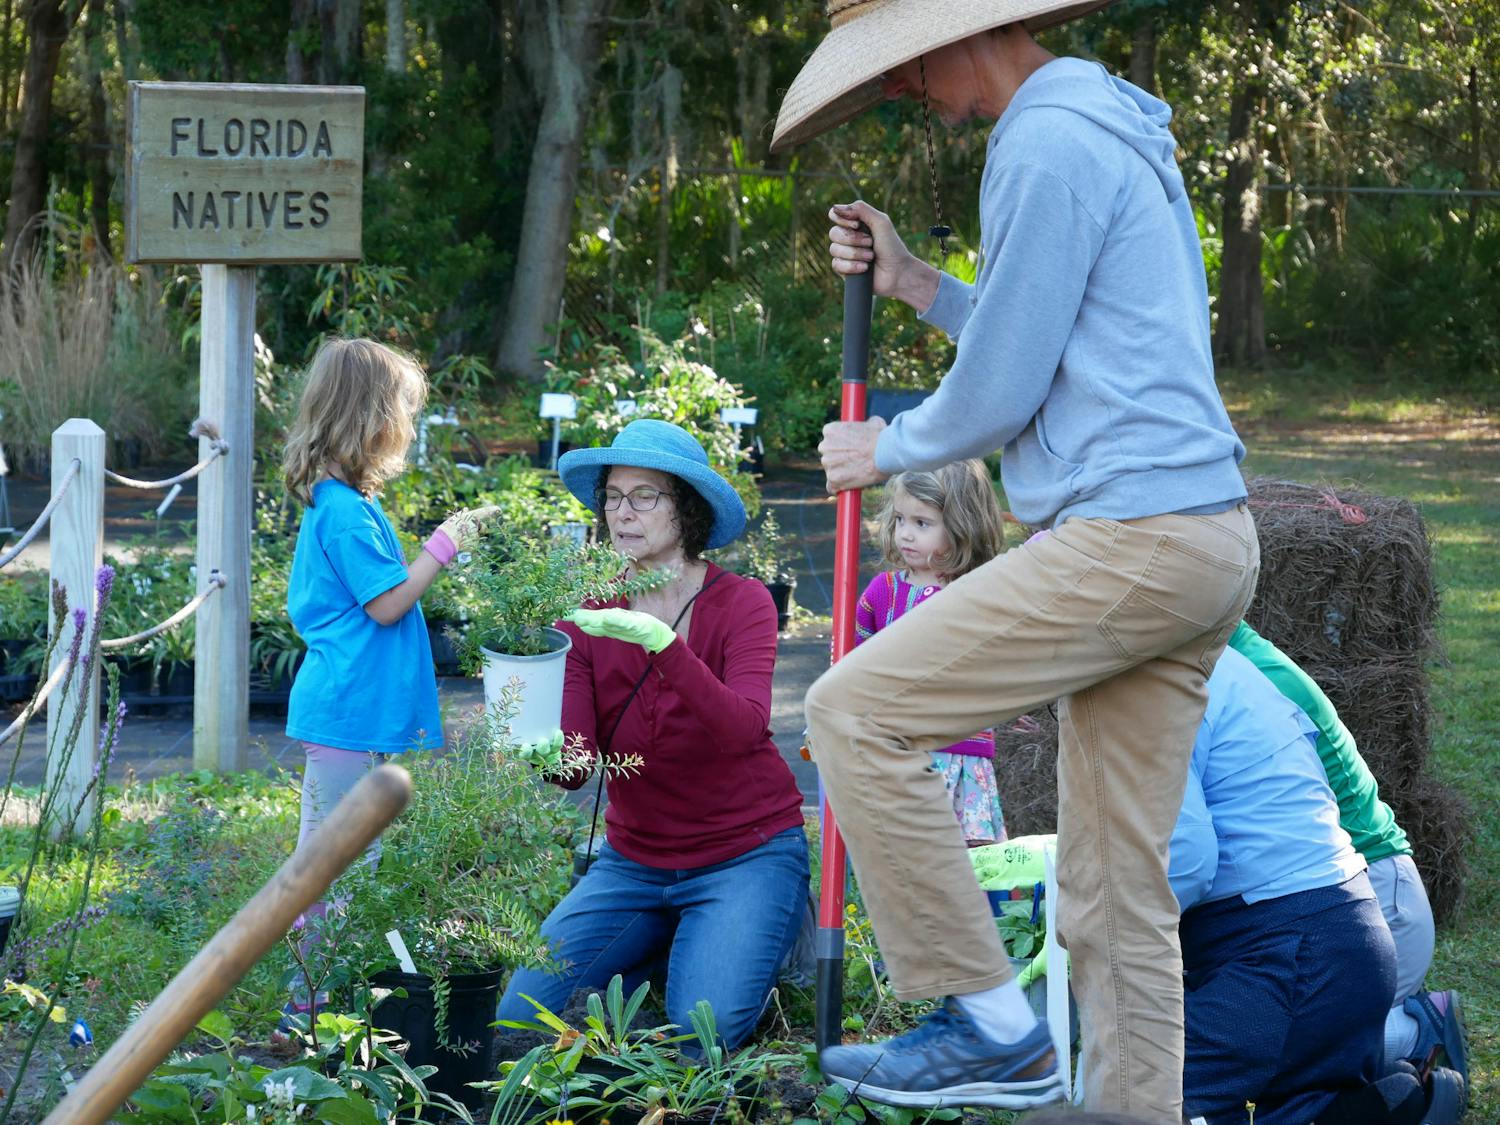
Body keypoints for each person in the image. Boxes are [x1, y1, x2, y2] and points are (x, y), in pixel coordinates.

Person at [775, 6, 1258, 1117]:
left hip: (1130, 534)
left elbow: (999, 393)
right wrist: (916, 284)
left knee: (856, 711)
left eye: (901, 70)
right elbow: (1047, 335)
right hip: (1201, 537)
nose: (901, 92)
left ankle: (987, 1025)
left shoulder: (1042, 141)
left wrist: (884, 448)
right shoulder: (1098, 121)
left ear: (963, 34)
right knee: (1112, 896)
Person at [496, 419, 810, 1050]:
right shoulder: (588, 616)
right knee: (519, 1015)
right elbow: (577, 768)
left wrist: (666, 646)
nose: (621, 512)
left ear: (686, 509)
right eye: (612, 496)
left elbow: (743, 728)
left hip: (744, 853)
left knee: (704, 1035)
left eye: (645, 496)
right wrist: (541, 749)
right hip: (633, 862)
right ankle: (675, 933)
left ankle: (739, 923)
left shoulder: (743, 602)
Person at [280, 337, 497, 1026]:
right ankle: (309, 1005)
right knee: (332, 865)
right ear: (370, 417)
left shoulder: (344, 501)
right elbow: (388, 603)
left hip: (351, 713)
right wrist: (444, 542)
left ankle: (323, 996)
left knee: (345, 860)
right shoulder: (343, 510)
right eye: (403, 407)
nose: (407, 421)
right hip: (345, 713)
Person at [1167, 647, 1465, 1125]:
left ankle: (1405, 1050)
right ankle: (1383, 1107)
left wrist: (1104, 928)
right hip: (1346, 919)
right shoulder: (1235, 661)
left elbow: (1187, 858)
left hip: (1302, 933)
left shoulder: (1168, 678)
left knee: (1161, 1086)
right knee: (1297, 1096)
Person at [855, 462, 1008, 845]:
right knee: (906, 862)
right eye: (900, 519)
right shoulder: (882, 593)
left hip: (962, 754)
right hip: (898, 756)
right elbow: (853, 667)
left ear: (962, 525)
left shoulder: (981, 593)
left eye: (922, 524)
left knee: (969, 866)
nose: (905, 533)